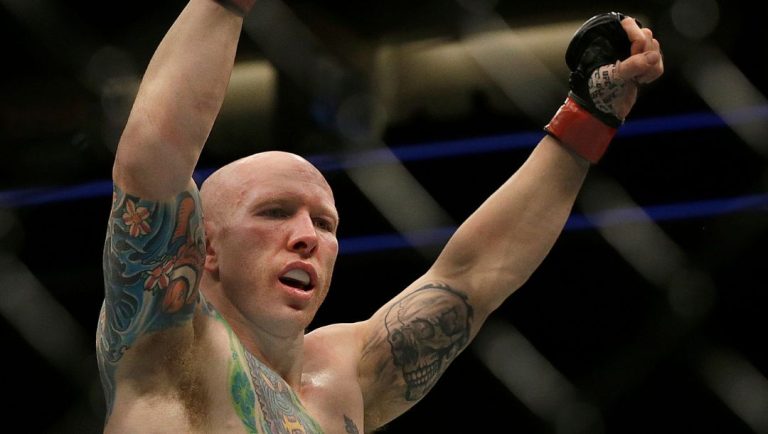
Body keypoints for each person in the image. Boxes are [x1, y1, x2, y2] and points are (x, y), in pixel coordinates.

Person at [97, 0, 663, 432]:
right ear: (206, 248)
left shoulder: (340, 379)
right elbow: (153, 164)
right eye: (274, 213)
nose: (305, 238)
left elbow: (470, 277)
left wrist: (590, 114)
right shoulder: (172, 338)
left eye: (324, 224)